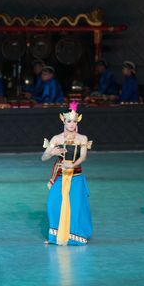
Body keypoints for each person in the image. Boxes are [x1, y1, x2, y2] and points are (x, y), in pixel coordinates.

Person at [42, 101, 92, 245]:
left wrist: (72, 165)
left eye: (74, 121)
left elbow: (83, 156)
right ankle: (55, 236)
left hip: (75, 177)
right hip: (60, 177)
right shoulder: (56, 139)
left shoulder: (82, 139)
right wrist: (52, 152)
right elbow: (43, 157)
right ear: (63, 120)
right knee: (53, 204)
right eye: (69, 120)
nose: (71, 123)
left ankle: (74, 236)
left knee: (75, 207)